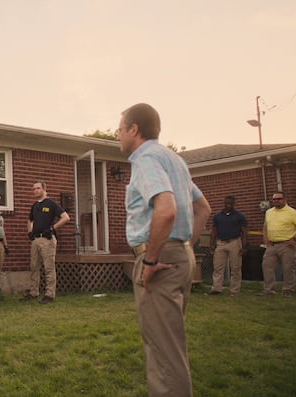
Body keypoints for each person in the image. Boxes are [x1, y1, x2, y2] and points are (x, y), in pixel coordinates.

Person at [117, 103, 210, 397]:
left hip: (160, 261)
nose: (117, 136)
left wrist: (153, 259)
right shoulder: (174, 159)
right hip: (180, 256)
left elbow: (166, 210)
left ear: (134, 129)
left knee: (164, 352)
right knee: (169, 344)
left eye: (120, 130)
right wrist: (185, 249)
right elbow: (202, 209)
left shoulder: (145, 159)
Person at [21, 181, 70, 304]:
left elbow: (66, 217)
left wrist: (53, 228)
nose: (35, 191)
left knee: (49, 268)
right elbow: (30, 220)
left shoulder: (51, 204)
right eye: (33, 189)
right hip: (35, 240)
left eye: (38, 188)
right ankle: (33, 293)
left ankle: (49, 295)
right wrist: (30, 232)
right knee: (34, 267)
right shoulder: (35, 206)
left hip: (47, 240)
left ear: (44, 189)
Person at [259, 191, 296, 297]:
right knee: (266, 266)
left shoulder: (292, 212)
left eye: (279, 199)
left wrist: (295, 239)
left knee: (288, 268)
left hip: (287, 245)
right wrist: (266, 239)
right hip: (272, 245)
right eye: (274, 199)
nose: (276, 201)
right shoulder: (269, 212)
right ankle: (269, 290)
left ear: (285, 199)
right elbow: (265, 226)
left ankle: (288, 290)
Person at [207, 195, 249, 296]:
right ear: (224, 203)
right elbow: (214, 230)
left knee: (235, 268)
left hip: (234, 242)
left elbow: (244, 232)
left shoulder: (240, 216)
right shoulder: (218, 216)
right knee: (218, 267)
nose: (228, 205)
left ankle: (234, 291)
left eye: (231, 204)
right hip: (221, 243)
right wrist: (211, 244)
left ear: (234, 204)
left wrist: (244, 246)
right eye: (226, 203)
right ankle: (216, 288)